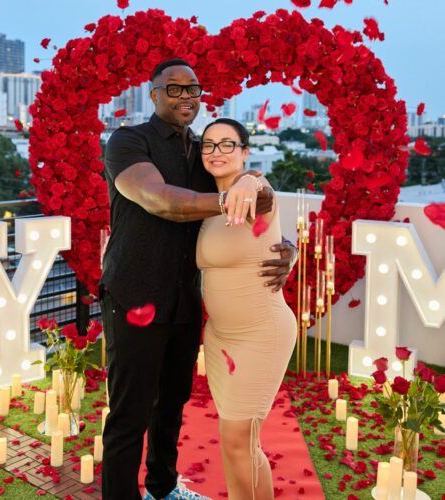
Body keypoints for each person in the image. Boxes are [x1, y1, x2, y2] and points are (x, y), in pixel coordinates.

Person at [100, 58, 297, 500]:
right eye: (174, 89)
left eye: (193, 89)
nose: (186, 96)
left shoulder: (203, 154)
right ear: (153, 94)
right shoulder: (129, 141)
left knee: (170, 407)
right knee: (129, 416)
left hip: (186, 304)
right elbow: (161, 200)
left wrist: (288, 245)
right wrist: (238, 192)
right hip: (134, 297)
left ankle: (163, 489)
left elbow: (251, 205)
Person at [196, 118, 297, 500]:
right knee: (239, 444)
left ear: (245, 152)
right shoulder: (206, 203)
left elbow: (262, 189)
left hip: (260, 333)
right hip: (220, 338)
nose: (217, 152)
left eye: (227, 144)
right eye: (209, 145)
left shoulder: (257, 193)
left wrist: (251, 180)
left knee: (239, 441)